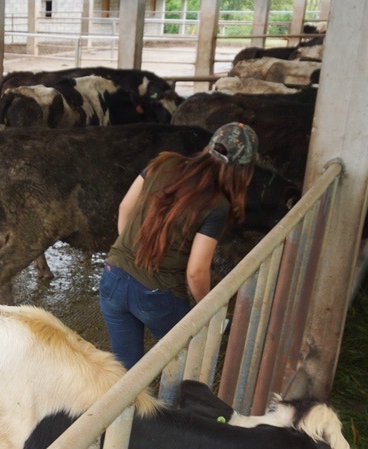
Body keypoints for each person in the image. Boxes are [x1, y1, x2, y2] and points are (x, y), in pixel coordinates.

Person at [98, 122, 259, 369]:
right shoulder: (216, 205)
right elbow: (196, 271)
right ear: (243, 171)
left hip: (112, 278)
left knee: (126, 371)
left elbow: (125, 208)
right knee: (192, 358)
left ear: (209, 146)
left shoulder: (164, 163)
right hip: (158, 296)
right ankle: (181, 402)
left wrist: (133, 254)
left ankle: (127, 408)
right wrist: (210, 308)